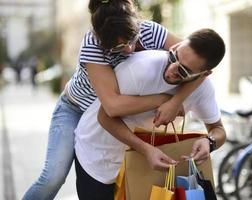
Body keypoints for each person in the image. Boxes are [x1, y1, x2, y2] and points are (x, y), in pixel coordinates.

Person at [23, 1, 211, 199]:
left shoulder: (150, 31)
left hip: (106, 117)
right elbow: (113, 106)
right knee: (54, 176)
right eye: (118, 47)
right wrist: (164, 98)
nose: (129, 49)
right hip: (75, 109)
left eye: (131, 40)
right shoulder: (92, 44)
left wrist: (175, 102)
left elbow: (197, 67)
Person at [74, 28, 226, 199]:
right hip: (98, 157)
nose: (171, 69)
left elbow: (218, 129)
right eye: (173, 56)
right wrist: (145, 149)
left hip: (144, 168)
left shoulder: (203, 90)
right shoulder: (140, 68)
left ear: (204, 74)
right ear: (176, 45)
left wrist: (209, 142)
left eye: (183, 71)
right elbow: (104, 117)